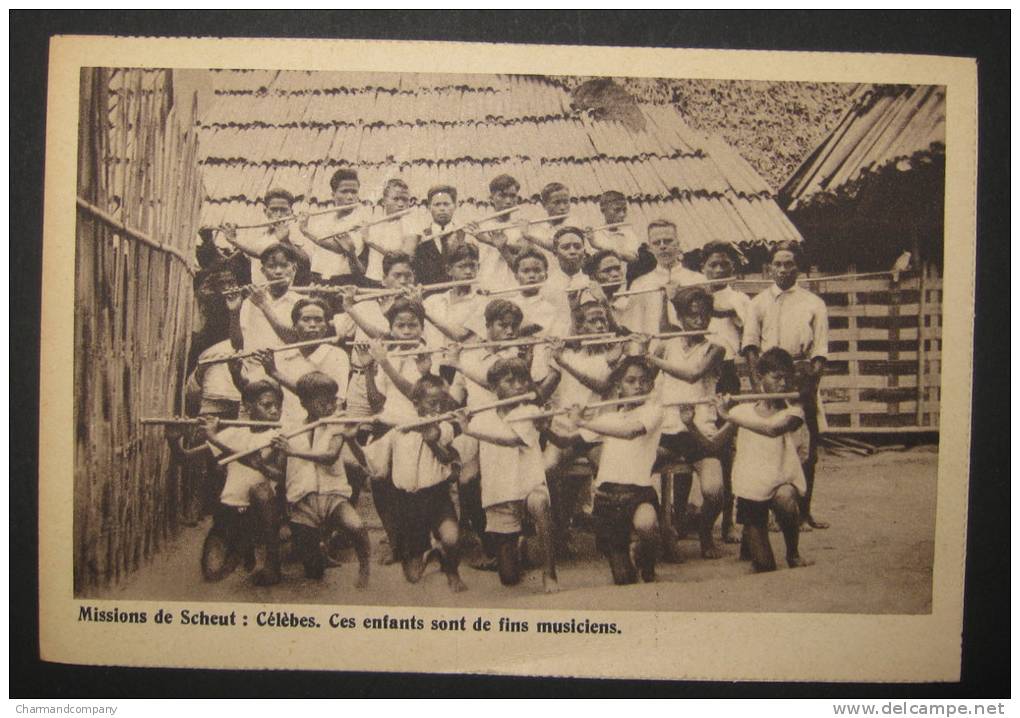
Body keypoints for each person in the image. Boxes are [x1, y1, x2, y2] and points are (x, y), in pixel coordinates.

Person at [684, 348, 813, 573]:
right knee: (764, 566)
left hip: (781, 483)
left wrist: (730, 416)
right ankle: (750, 538)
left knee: (785, 498)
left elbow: (772, 430)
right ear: (760, 377)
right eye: (776, 377)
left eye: (786, 378)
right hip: (752, 491)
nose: (782, 383)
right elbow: (712, 445)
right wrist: (689, 424)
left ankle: (793, 552)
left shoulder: (794, 412)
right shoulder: (743, 410)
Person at [741, 241, 829, 530]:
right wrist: (760, 387)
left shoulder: (814, 303)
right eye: (777, 264)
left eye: (788, 263)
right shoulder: (757, 303)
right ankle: (769, 514)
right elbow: (751, 347)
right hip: (769, 377)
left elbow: (819, 352)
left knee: (805, 447)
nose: (782, 269)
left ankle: (802, 512)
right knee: (768, 445)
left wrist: (808, 388)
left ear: (798, 268)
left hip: (800, 377)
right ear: (769, 268)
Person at [456, 358, 559, 592]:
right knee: (509, 578)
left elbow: (512, 441)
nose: (518, 386)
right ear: (493, 388)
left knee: (540, 503)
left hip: (529, 487)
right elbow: (468, 455)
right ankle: (520, 543)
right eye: (509, 381)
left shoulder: (529, 411)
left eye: (523, 380)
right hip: (500, 495)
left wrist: (470, 429)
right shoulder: (481, 417)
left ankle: (550, 573)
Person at [566, 356, 663, 584]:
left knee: (646, 524)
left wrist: (582, 422)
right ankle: (626, 553)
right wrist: (545, 427)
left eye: (644, 380)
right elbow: (564, 440)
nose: (638, 386)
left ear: (651, 385)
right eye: (631, 381)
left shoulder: (654, 411)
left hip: (639, 493)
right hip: (607, 497)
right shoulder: (608, 417)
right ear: (618, 386)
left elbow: (630, 432)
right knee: (623, 579)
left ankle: (646, 562)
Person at [647, 286, 727, 559]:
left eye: (705, 315)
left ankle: (705, 534)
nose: (700, 321)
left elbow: (693, 375)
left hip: (701, 431)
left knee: (714, 491)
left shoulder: (716, 349)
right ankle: (660, 529)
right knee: (636, 470)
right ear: (680, 317)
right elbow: (646, 374)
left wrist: (653, 358)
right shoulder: (667, 344)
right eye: (692, 315)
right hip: (668, 431)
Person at [181, 380, 286, 586]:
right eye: (267, 405)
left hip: (260, 510)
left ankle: (271, 560)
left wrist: (214, 438)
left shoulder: (277, 436)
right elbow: (184, 457)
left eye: (277, 406)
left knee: (261, 490)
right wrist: (174, 439)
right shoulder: (234, 432)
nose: (274, 410)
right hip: (229, 510)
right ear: (247, 406)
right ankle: (243, 552)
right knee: (212, 573)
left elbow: (255, 462)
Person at [272, 371, 371, 588]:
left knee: (356, 526)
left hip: (332, 494)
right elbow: (280, 470)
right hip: (302, 500)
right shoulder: (290, 429)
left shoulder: (337, 425)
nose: (330, 405)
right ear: (304, 403)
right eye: (322, 401)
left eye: (332, 400)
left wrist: (293, 452)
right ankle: (317, 548)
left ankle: (364, 566)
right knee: (314, 572)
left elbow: (330, 457)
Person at [374, 375, 467, 592]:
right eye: (432, 403)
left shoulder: (445, 426)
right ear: (416, 404)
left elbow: (444, 453)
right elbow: (374, 466)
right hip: (408, 501)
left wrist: (429, 438)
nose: (438, 408)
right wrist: (352, 440)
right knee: (413, 576)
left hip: (437, 497)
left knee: (452, 538)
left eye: (442, 404)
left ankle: (452, 570)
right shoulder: (397, 430)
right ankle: (429, 550)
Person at [699, 241, 751, 543]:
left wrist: (727, 311)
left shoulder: (741, 299)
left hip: (727, 374)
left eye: (724, 265)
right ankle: (681, 516)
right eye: (712, 265)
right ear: (703, 267)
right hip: (697, 372)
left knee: (726, 447)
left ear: (733, 268)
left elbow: (747, 335)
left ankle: (729, 521)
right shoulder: (695, 293)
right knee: (692, 439)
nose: (718, 270)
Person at [332, 252, 417, 417]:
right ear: (384, 280)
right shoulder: (365, 305)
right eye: (397, 275)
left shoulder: (411, 309)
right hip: (360, 379)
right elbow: (342, 334)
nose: (403, 281)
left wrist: (350, 309)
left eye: (408, 276)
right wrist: (348, 299)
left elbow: (385, 337)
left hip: (391, 380)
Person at [253, 297, 350, 425]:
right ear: (294, 325)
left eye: (318, 320)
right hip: (286, 428)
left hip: (322, 427)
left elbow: (322, 401)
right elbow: (257, 391)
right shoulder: (282, 354)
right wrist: (235, 372)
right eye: (306, 319)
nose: (312, 325)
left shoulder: (338, 355)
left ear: (326, 326)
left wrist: (275, 373)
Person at [618, 219, 706, 336]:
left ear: (678, 244)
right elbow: (635, 328)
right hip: (654, 349)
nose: (663, 246)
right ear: (650, 248)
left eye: (668, 241)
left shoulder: (698, 280)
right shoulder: (640, 284)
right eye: (657, 243)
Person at [420, 243, 486, 384]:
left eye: (472, 266)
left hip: (465, 374)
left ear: (478, 268)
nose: (468, 271)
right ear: (449, 270)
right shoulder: (432, 301)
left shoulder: (482, 302)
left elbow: (459, 335)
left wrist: (424, 311)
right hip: (433, 370)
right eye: (462, 266)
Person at [220, 188, 312, 286]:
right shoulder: (258, 236)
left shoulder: (301, 232)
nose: (279, 214)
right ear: (265, 211)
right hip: (260, 293)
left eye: (284, 210)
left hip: (290, 294)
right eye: (274, 210)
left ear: (291, 212)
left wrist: (286, 241)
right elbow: (229, 260)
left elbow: (305, 261)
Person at [297, 169, 369, 286]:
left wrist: (306, 231)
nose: (350, 197)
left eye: (354, 192)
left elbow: (339, 248)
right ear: (333, 195)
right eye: (344, 192)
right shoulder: (322, 221)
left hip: (344, 282)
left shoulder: (361, 221)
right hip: (318, 281)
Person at [233, 242, 302, 354]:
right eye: (271, 266)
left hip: (286, 367)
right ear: (263, 271)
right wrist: (234, 312)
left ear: (294, 269)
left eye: (284, 266)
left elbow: (294, 340)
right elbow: (237, 344)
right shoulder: (250, 301)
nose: (278, 271)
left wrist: (263, 305)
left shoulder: (302, 302)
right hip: (253, 366)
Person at [466, 174, 525, 291]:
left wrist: (487, 240)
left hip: (515, 286)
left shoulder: (521, 225)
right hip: (486, 286)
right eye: (502, 196)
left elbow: (523, 252)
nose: (508, 201)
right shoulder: (479, 226)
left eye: (512, 196)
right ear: (491, 198)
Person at [406, 185, 467, 288]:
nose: (442, 209)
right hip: (429, 298)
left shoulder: (464, 235)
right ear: (429, 207)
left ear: (455, 206)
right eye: (437, 204)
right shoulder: (420, 237)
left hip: (457, 297)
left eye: (446, 204)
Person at [363, 178, 416, 287]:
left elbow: (405, 256)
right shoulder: (374, 222)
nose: (401, 204)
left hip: (396, 283)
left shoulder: (411, 223)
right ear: (384, 201)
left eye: (405, 199)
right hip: (371, 280)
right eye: (395, 199)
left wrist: (370, 242)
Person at [520, 182, 579, 266]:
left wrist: (528, 235)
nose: (562, 207)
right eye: (556, 203)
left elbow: (557, 246)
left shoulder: (573, 223)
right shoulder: (538, 228)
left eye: (566, 202)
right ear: (544, 205)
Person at [542, 226, 594, 319]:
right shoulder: (546, 287)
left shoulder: (591, 283)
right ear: (555, 252)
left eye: (577, 247)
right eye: (565, 247)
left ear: (584, 251)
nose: (572, 251)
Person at [585, 190, 643, 267]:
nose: (622, 214)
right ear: (603, 210)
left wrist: (599, 246)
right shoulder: (594, 235)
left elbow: (633, 258)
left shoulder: (629, 233)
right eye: (617, 210)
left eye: (624, 210)